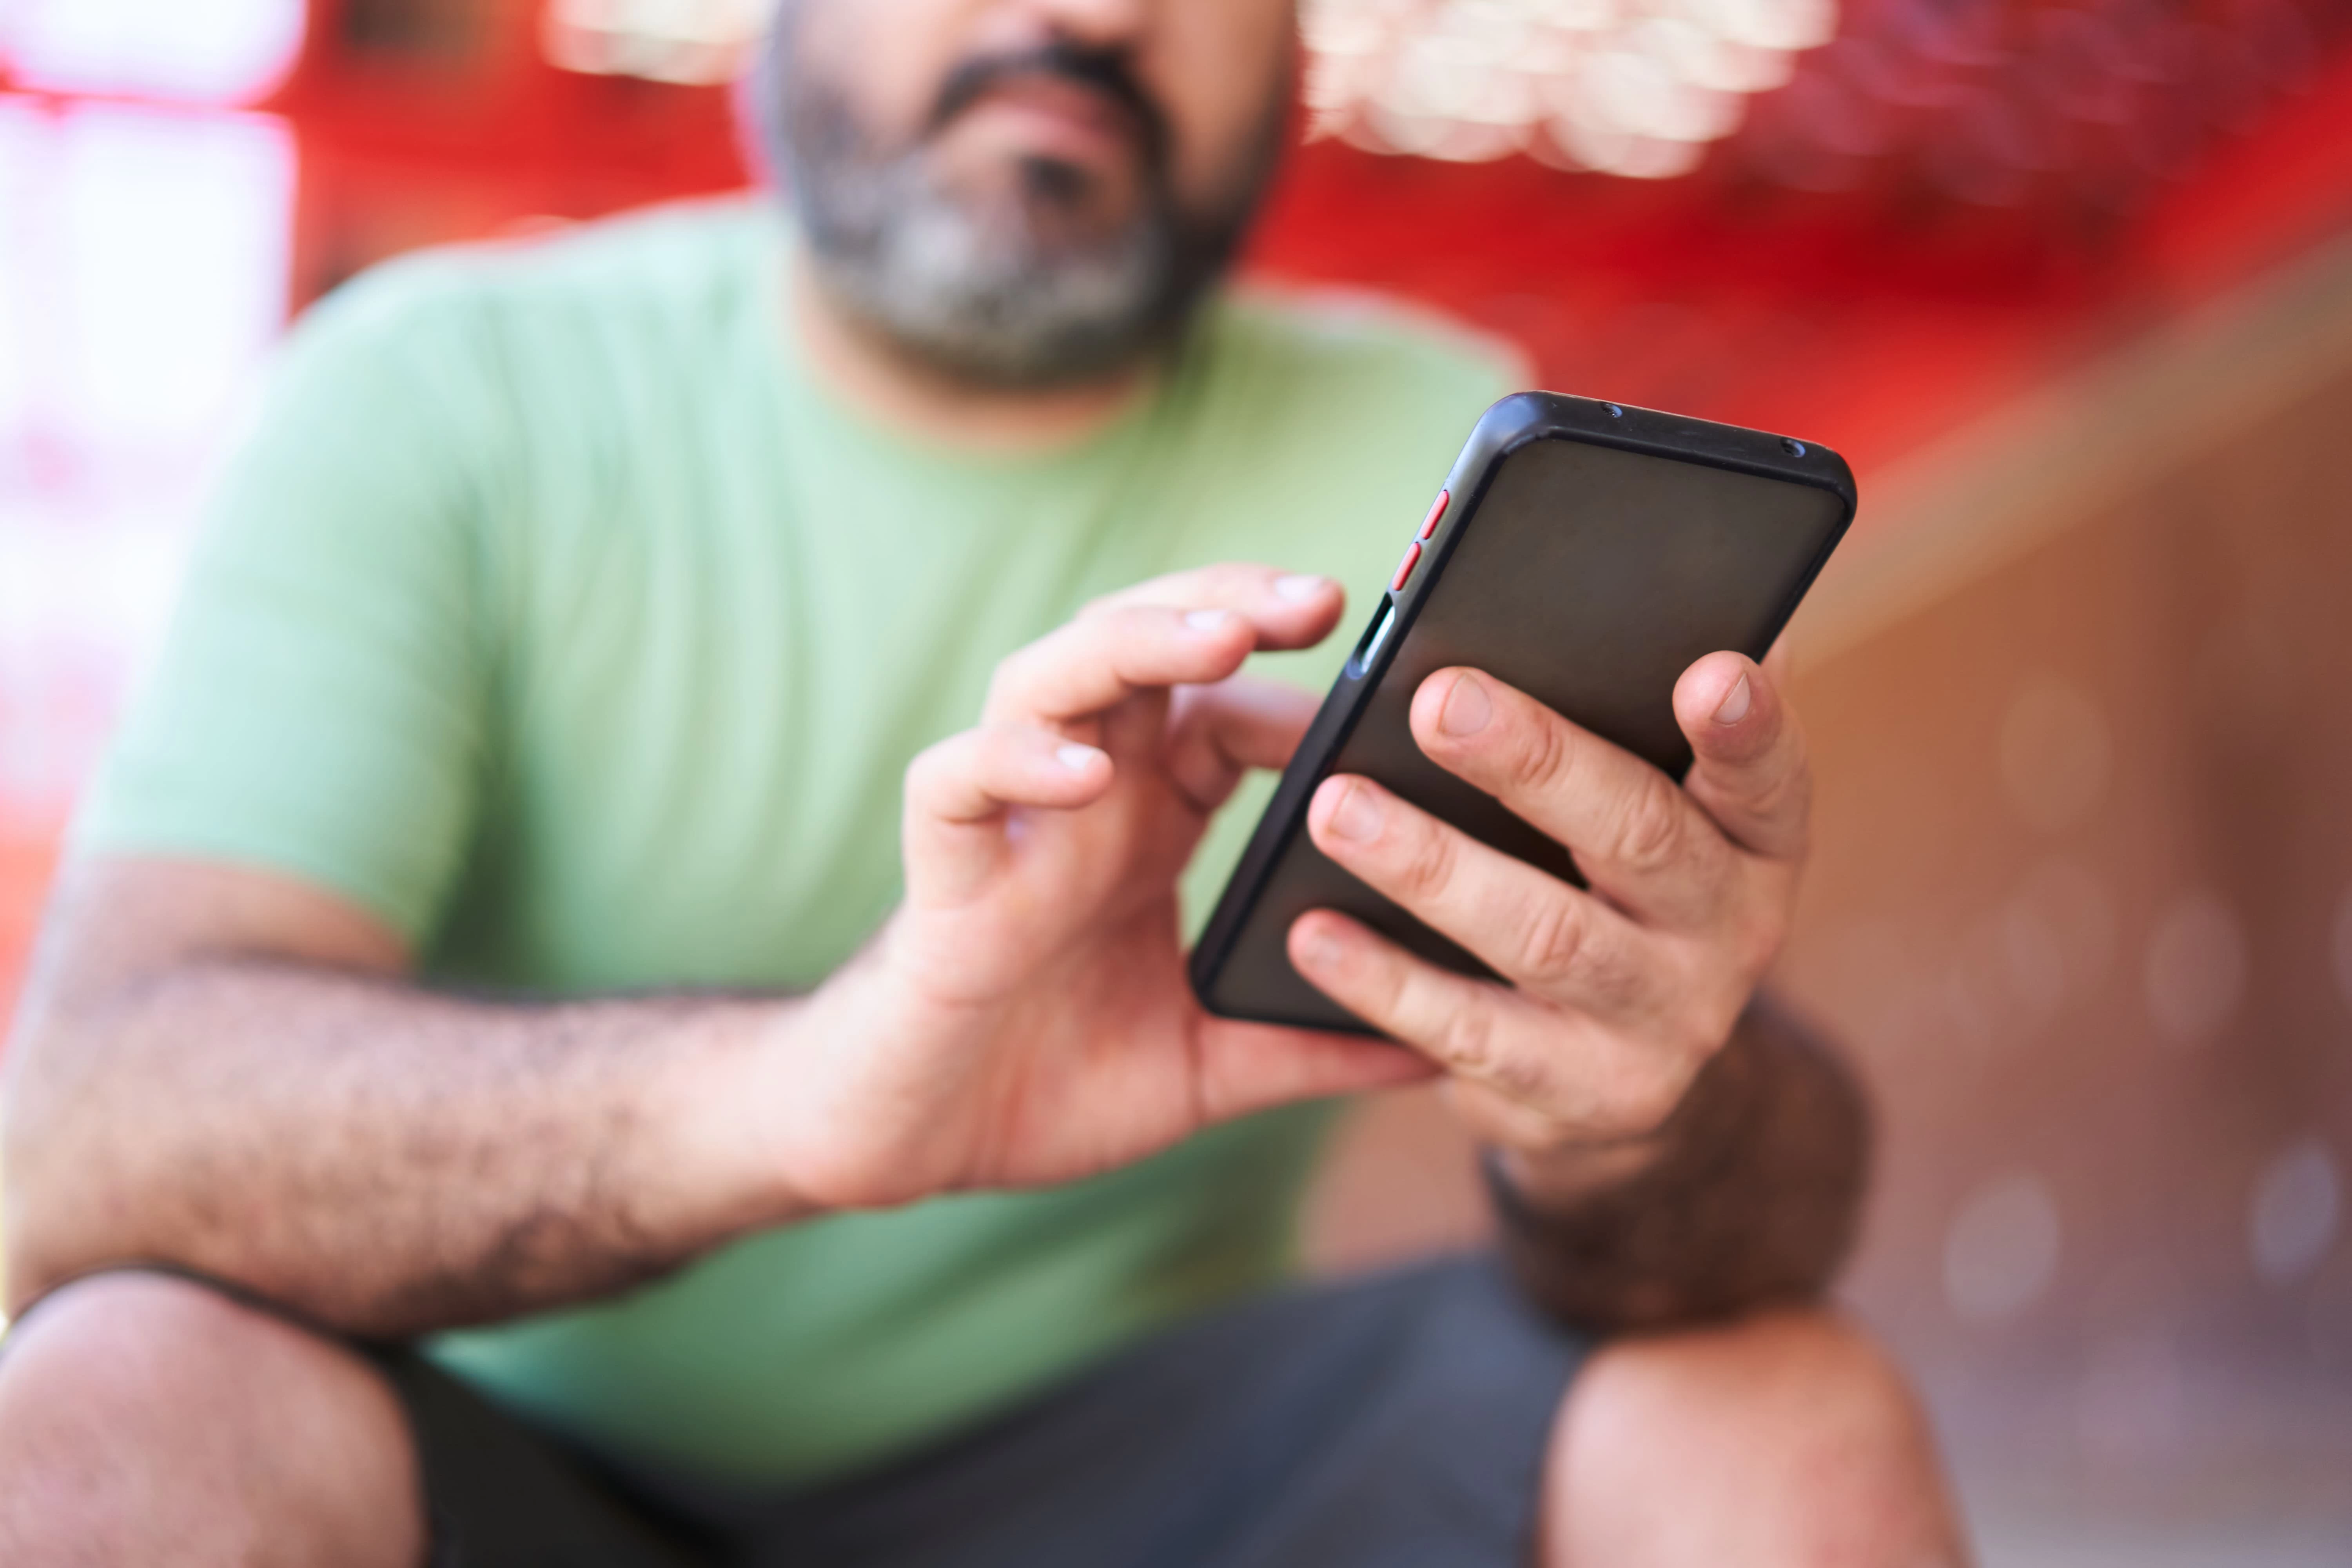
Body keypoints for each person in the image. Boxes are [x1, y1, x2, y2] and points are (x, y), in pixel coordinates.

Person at [0, 1, 1968, 1563]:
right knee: (119, 1407)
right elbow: (84, 1127)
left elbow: (1738, 1234)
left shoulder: (1420, 434)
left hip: (1161, 1477)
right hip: (497, 1456)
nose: (1094, 12)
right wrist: (806, 1097)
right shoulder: (440, 393)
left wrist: (1628, 1093)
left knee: (1779, 1417)